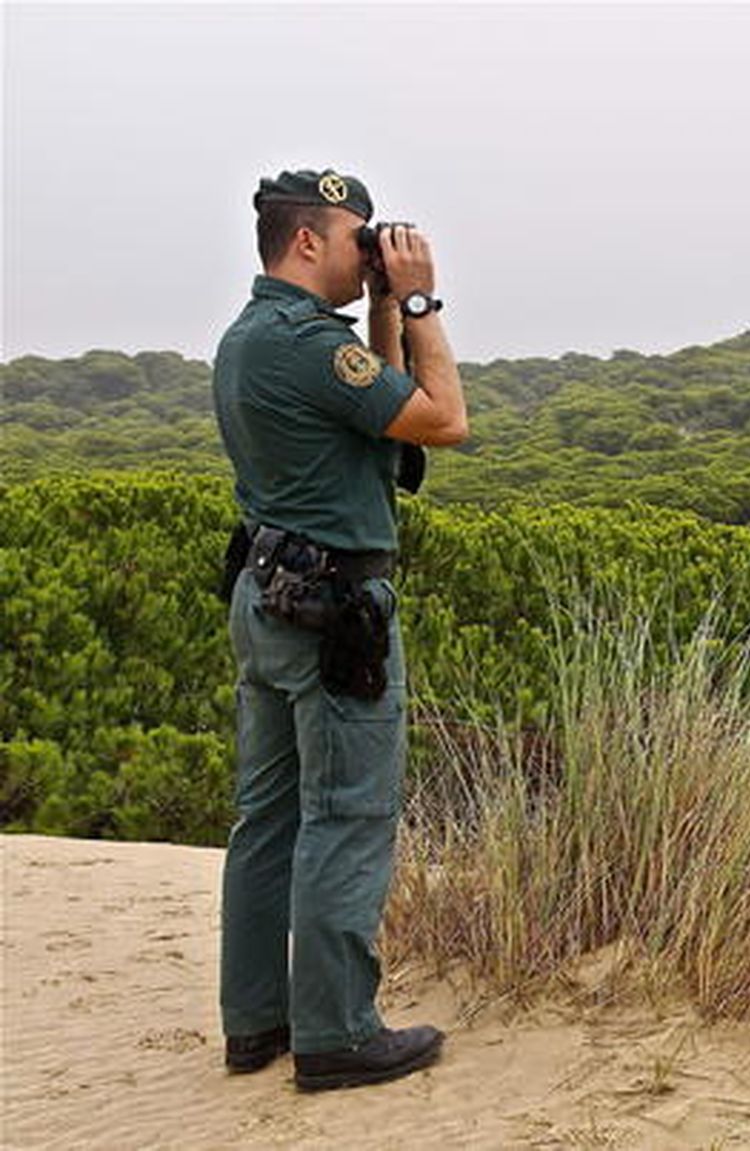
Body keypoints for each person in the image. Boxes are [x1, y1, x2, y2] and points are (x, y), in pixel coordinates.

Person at [211, 168, 468, 1091]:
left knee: (269, 816)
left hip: (268, 595)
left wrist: (387, 311)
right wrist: (427, 299)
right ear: (309, 241)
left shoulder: (253, 336)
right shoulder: (311, 347)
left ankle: (257, 1022)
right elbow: (441, 420)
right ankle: (337, 1033)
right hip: (333, 610)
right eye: (360, 239)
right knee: (346, 814)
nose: (374, 255)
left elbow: (381, 429)